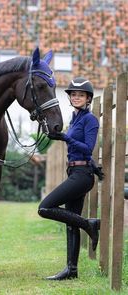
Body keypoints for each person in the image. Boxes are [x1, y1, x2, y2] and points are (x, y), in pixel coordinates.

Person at [38, 77, 100, 280]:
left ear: (88, 98)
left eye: (80, 95)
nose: (76, 97)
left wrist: (66, 138)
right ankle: (71, 270)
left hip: (82, 175)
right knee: (70, 223)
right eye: (73, 94)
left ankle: (89, 224)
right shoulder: (74, 118)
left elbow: (88, 148)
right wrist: (58, 135)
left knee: (45, 208)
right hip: (74, 172)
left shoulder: (89, 120)